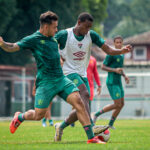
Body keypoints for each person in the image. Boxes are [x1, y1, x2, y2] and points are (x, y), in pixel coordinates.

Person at [0, 11, 105, 144]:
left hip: (61, 79)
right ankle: (20, 117)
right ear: (45, 26)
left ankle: (91, 138)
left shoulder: (54, 39)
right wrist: (3, 44)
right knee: (39, 115)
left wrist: (60, 60)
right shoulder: (34, 39)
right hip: (45, 83)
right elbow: (13, 46)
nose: (57, 29)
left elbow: (56, 55)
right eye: (54, 27)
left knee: (79, 101)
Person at [54, 12, 132, 141]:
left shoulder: (91, 35)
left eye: (90, 27)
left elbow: (108, 49)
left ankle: (60, 127)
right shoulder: (64, 34)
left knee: (81, 107)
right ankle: (91, 130)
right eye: (86, 26)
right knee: (84, 93)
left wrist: (121, 51)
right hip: (67, 72)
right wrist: (58, 57)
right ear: (79, 22)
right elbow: (50, 44)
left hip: (82, 73)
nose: (88, 30)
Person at [92, 35, 130, 129]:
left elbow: (119, 68)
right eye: (117, 42)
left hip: (118, 81)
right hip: (112, 82)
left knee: (122, 104)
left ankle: (110, 124)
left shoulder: (122, 54)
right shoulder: (111, 54)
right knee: (117, 104)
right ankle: (96, 114)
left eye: (120, 42)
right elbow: (103, 67)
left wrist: (124, 76)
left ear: (122, 43)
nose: (119, 44)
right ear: (114, 43)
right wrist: (114, 70)